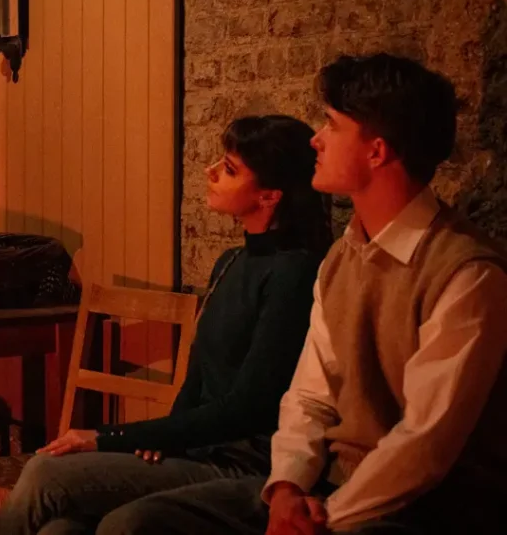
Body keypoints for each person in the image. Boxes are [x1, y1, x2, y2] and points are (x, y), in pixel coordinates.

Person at [136, 54, 507, 535]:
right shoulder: (341, 257)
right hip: (324, 488)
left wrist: (328, 516)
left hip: (419, 509)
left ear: (376, 152)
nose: (316, 139)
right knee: (140, 522)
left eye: (331, 125)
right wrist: (287, 489)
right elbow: (309, 396)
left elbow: (424, 444)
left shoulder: (467, 272)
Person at [0, 115, 332, 535]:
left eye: (230, 169)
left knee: (45, 473)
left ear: (269, 196)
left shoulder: (293, 274)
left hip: (248, 466)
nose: (211, 172)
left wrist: (107, 435)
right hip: (198, 452)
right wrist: (163, 438)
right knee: (61, 529)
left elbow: (248, 408)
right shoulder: (231, 263)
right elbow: (196, 381)